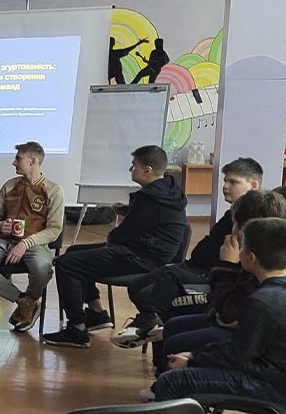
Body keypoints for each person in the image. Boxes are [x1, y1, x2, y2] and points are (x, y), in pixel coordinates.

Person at [148, 218, 286, 408]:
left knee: (170, 382)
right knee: (181, 372)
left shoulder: (262, 301)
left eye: (242, 247)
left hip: (276, 388)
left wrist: (191, 362)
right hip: (282, 378)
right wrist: (193, 355)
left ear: (251, 258)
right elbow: (239, 348)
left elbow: (235, 357)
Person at [42, 145, 189, 348]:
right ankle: (97, 313)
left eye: (134, 165)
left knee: (67, 264)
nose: (130, 169)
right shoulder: (168, 192)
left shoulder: (149, 198)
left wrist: (115, 234)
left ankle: (77, 329)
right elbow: (153, 219)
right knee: (74, 252)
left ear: (147, 170)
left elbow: (120, 236)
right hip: (153, 254)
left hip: (142, 258)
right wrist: (129, 211)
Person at [113, 157, 263, 347]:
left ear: (253, 185)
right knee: (136, 286)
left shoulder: (253, 219)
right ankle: (154, 325)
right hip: (194, 265)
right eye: (225, 181)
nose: (225, 186)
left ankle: (152, 325)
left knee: (164, 280)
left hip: (209, 273)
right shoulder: (231, 212)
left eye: (233, 182)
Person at [151, 189, 286, 372]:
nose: (232, 230)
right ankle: (163, 379)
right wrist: (220, 314)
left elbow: (231, 312)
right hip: (236, 322)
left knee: (176, 342)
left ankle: (171, 382)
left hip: (245, 339)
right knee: (172, 326)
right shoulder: (256, 253)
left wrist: (227, 265)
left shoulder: (262, 260)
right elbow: (227, 307)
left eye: (235, 225)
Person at [0, 141, 64, 332]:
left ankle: (30, 299)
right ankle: (24, 301)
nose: (14, 162)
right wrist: (0, 226)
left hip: (35, 244)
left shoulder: (53, 190)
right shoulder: (9, 186)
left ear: (33, 161)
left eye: (18, 158)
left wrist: (26, 243)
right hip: (3, 242)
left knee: (43, 267)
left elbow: (54, 230)